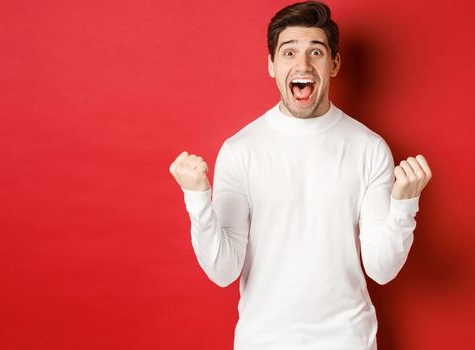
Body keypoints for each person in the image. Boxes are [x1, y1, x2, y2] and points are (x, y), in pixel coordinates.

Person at [168, 1, 432, 349]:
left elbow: (382, 269)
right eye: (289, 52)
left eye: (316, 52)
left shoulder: (369, 148)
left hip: (348, 341)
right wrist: (198, 200)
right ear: (272, 65)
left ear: (334, 64)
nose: (302, 64)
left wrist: (404, 205)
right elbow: (222, 271)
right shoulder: (240, 150)